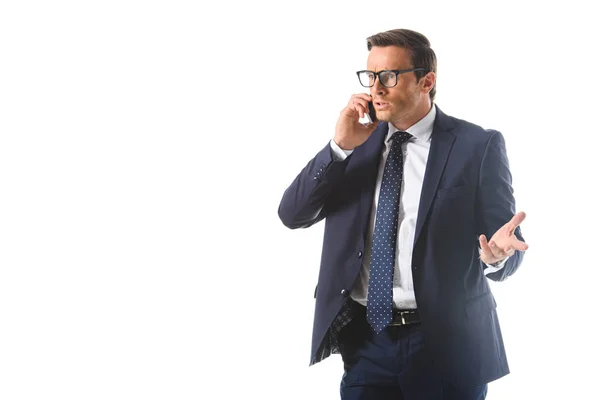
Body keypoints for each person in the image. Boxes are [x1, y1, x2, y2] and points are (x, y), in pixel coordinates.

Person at [277, 28, 529, 400]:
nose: (375, 88)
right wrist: (338, 147)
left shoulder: (476, 145)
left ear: (426, 81)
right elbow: (292, 214)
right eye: (370, 76)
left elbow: (505, 240)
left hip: (447, 342)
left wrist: (496, 257)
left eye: (389, 76)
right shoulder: (354, 146)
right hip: (366, 343)